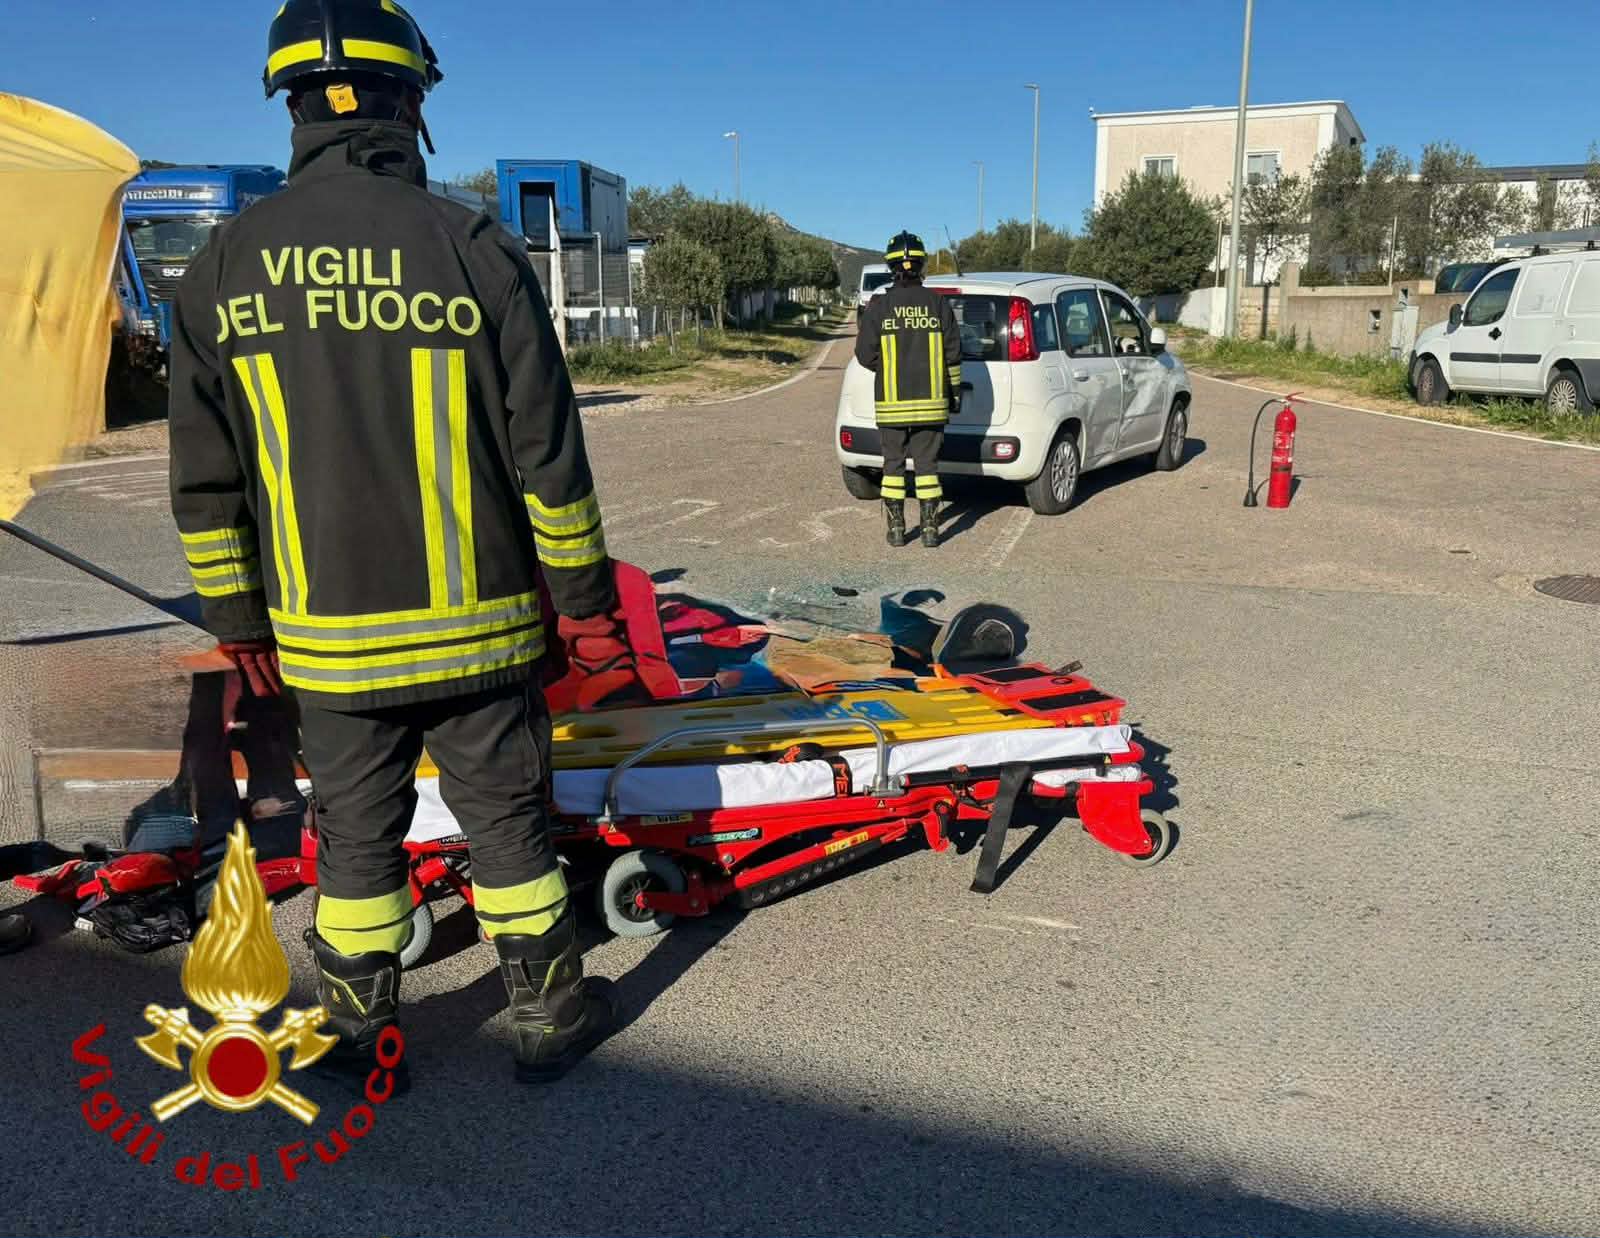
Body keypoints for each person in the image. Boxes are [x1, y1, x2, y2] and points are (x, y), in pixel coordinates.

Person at [168, 0, 639, 1083]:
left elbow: (205, 478)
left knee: (356, 833)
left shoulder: (222, 267)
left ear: (292, 107)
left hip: (325, 640)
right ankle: (548, 1015)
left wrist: (238, 621)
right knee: (507, 826)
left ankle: (352, 1035)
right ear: (410, 102)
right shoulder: (472, 247)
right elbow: (548, 456)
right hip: (481, 633)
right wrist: (583, 604)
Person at [854, 232, 962, 548]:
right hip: (932, 403)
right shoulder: (937, 304)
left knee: (893, 467)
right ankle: (930, 530)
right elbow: (954, 355)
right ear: (921, 264)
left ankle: (897, 530)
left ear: (891, 267)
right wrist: (954, 396)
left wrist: (890, 368)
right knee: (927, 468)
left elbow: (864, 354)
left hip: (891, 404)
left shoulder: (879, 306)